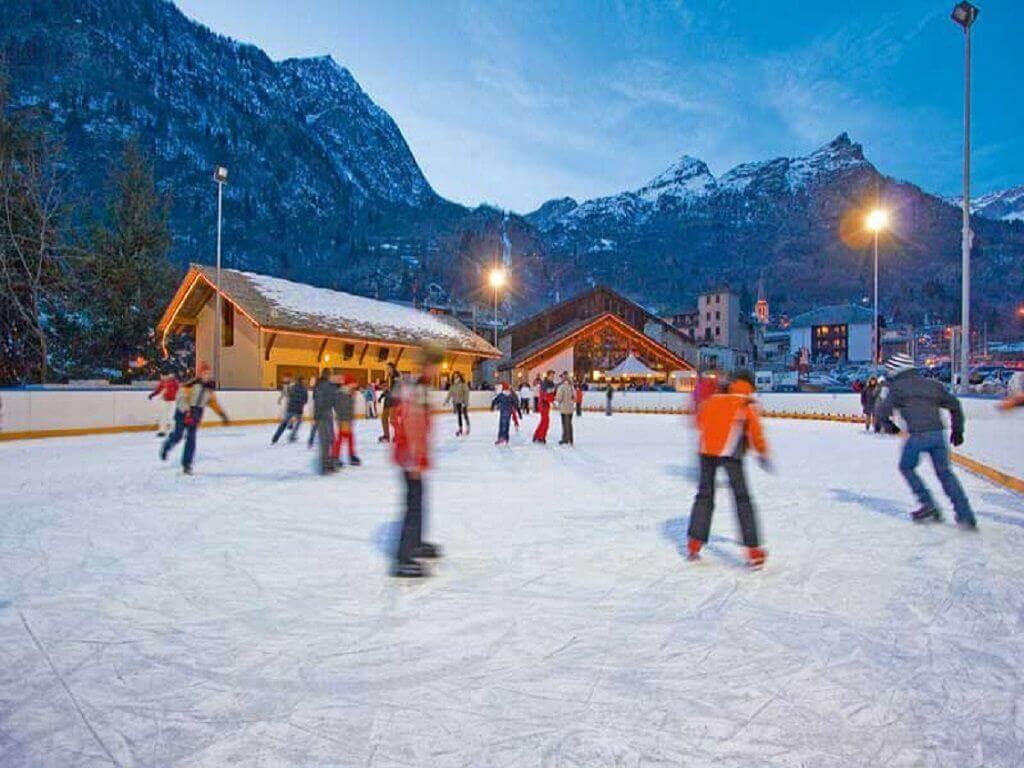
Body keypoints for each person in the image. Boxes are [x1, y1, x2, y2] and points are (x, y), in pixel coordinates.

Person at [875, 353, 977, 528]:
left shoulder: (897, 388)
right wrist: (958, 430)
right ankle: (965, 514)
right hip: (938, 434)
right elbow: (955, 405)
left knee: (906, 467)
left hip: (918, 435)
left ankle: (928, 504)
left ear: (896, 370)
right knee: (945, 473)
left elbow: (882, 412)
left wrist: (891, 427)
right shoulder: (932, 385)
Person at [686, 369, 769, 569]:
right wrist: (763, 452)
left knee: (704, 496)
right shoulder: (745, 402)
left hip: (706, 451)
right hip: (730, 453)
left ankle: (694, 543)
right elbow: (755, 432)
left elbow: (699, 421)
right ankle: (753, 549)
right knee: (742, 498)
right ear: (749, 386)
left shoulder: (715, 399)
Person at [391, 345, 445, 578]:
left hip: (414, 456)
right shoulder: (417, 389)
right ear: (427, 364)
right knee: (412, 506)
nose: (437, 370)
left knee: (418, 501)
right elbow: (411, 425)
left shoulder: (419, 387)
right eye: (435, 365)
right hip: (410, 457)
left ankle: (416, 543)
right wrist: (414, 459)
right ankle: (404, 557)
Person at [160, 362, 229, 474]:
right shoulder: (190, 384)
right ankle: (166, 446)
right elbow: (181, 398)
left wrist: (222, 414)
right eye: (204, 373)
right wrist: (187, 412)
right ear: (199, 374)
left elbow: (212, 403)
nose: (206, 375)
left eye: (208, 373)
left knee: (191, 439)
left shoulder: (209, 388)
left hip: (196, 414)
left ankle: (187, 465)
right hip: (183, 412)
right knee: (178, 435)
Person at [312, 370, 338, 474]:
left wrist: (316, 416)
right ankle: (330, 462)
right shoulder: (331, 386)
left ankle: (326, 464)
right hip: (328, 413)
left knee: (325, 441)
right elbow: (335, 400)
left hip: (322, 414)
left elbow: (318, 401)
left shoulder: (319, 386)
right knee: (331, 438)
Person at [331, 374, 361, 466]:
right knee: (340, 438)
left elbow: (349, 408)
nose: (355, 386)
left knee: (349, 438)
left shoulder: (349, 393)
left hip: (347, 419)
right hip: (343, 419)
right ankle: (335, 457)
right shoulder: (342, 394)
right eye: (353, 384)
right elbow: (340, 408)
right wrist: (344, 420)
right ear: (349, 384)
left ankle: (350, 456)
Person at [272, 376, 308, 444]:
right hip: (298, 410)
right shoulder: (304, 389)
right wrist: (301, 402)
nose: (305, 382)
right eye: (304, 380)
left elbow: (288, 395)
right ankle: (292, 436)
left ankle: (275, 437)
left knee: (284, 423)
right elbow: (306, 400)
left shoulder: (292, 387)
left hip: (290, 408)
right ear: (302, 381)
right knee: (299, 422)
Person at [148, 370, 179, 437]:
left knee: (171, 417)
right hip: (164, 401)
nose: (161, 377)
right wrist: (152, 394)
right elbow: (158, 389)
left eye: (163, 376)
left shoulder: (174, 381)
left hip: (173, 401)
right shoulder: (162, 382)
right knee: (163, 416)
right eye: (161, 376)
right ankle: (162, 431)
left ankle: (173, 431)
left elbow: (178, 390)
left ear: (167, 375)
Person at [532, 371, 556, 444]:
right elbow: (544, 395)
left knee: (545, 421)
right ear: (548, 376)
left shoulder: (552, 384)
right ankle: (539, 436)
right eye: (551, 376)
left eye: (553, 376)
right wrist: (552, 400)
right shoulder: (544, 384)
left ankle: (539, 436)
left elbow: (553, 394)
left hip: (547, 404)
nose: (552, 377)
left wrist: (553, 399)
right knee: (545, 421)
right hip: (542, 404)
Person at [445, 371, 471, 436]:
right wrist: (446, 401)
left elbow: (466, 393)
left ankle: (468, 427)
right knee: (459, 416)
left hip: (463, 402)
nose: (456, 378)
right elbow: (450, 393)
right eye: (454, 377)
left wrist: (465, 402)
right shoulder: (453, 385)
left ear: (459, 377)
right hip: (457, 402)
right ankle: (460, 428)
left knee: (465, 415)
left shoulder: (463, 384)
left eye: (457, 376)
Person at [378, 363, 400, 442]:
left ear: (392, 368)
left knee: (392, 420)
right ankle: (386, 436)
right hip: (387, 400)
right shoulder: (388, 376)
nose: (387, 369)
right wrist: (382, 395)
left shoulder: (396, 376)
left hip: (393, 401)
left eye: (388, 367)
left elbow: (397, 388)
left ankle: (399, 435)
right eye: (386, 368)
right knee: (384, 418)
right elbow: (388, 388)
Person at [555, 371, 575, 445]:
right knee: (569, 423)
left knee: (564, 424)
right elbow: (574, 397)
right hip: (570, 408)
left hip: (564, 408)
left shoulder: (561, 387)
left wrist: (556, 399)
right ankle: (570, 438)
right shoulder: (571, 386)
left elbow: (559, 398)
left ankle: (565, 438)